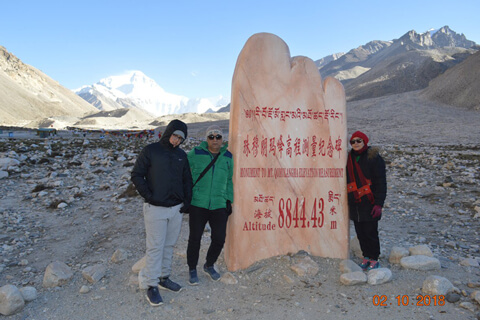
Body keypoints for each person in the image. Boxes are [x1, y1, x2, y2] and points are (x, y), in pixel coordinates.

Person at [131, 119, 192, 306]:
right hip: (155, 208)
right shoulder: (151, 151)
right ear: (168, 133)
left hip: (175, 208)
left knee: (169, 245)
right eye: (175, 135)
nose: (177, 140)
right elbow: (136, 175)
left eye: (181, 138)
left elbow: (187, 180)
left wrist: (187, 201)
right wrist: (149, 195)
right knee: (155, 246)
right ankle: (151, 285)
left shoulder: (182, 155)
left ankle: (164, 277)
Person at [186, 125, 233, 285]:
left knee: (219, 238)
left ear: (222, 139)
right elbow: (184, 171)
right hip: (198, 203)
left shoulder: (228, 156)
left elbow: (229, 180)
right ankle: (192, 268)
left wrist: (229, 199)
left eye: (218, 137)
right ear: (206, 139)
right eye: (211, 137)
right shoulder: (196, 153)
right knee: (195, 238)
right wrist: (187, 195)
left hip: (219, 204)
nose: (215, 140)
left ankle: (209, 264)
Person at [346, 131, 387, 271]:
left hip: (369, 201)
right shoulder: (349, 158)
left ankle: (374, 258)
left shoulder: (374, 158)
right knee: (360, 232)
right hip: (355, 202)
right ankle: (366, 256)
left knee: (370, 231)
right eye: (353, 141)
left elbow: (381, 182)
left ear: (365, 142)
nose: (356, 144)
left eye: (359, 141)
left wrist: (379, 204)